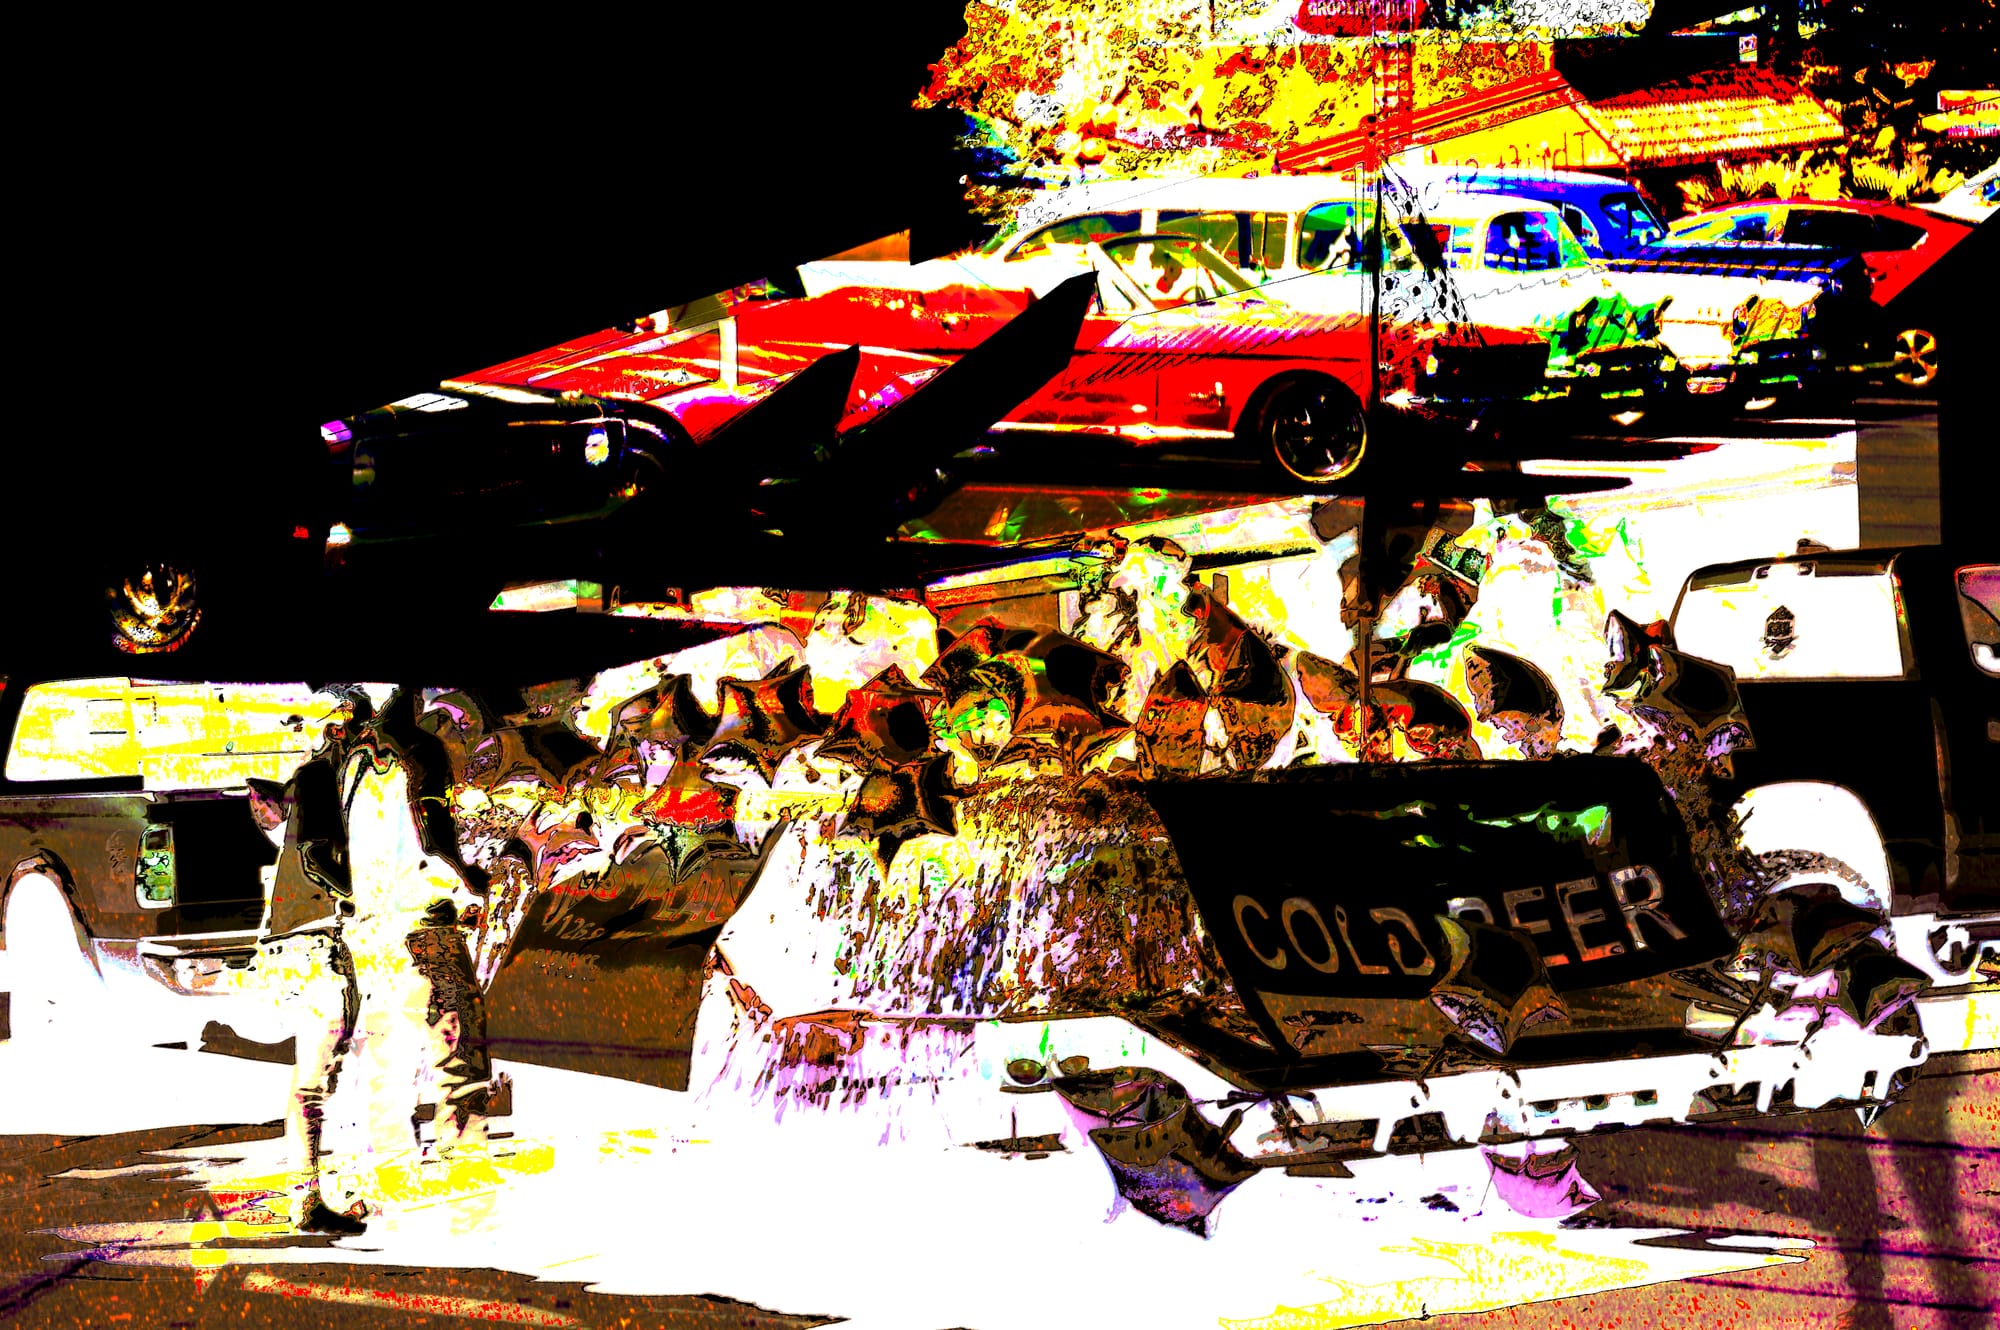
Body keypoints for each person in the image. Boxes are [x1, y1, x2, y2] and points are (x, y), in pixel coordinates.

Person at [246, 686, 494, 1234]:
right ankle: (465, 1191)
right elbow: (433, 840)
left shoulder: (333, 771)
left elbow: (308, 851)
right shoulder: (411, 754)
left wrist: (359, 899)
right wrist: (470, 879)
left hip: (355, 936)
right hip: (407, 925)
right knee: (456, 1061)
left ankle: (364, 1190)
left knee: (363, 1066)